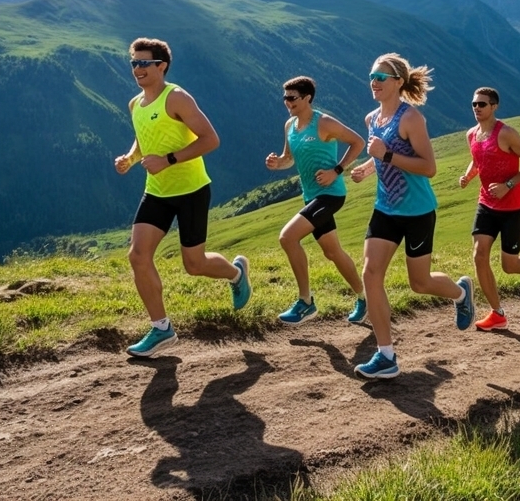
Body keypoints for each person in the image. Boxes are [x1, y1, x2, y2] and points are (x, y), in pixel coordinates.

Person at [114, 37, 250, 358]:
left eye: (144, 63)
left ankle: (236, 274)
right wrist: (131, 158)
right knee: (138, 256)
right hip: (157, 192)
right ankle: (161, 329)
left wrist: (169, 160)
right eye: (134, 63)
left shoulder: (177, 98)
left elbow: (210, 139)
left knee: (195, 264)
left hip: (191, 191)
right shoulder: (136, 104)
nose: (137, 69)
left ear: (161, 66)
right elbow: (143, 136)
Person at [349, 53, 475, 378]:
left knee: (420, 283)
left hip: (417, 212)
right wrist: (366, 168)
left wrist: (385, 154)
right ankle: (386, 355)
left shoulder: (411, 119)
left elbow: (428, 167)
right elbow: (381, 160)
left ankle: (461, 293)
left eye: (381, 76)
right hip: (385, 209)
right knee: (370, 274)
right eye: (372, 75)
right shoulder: (371, 119)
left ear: (398, 83)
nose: (374, 81)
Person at [265, 76, 367, 326]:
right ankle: (366, 298)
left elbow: (358, 142)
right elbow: (289, 158)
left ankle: (306, 302)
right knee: (332, 251)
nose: (287, 102)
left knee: (287, 237)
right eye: (285, 97)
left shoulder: (324, 122)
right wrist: (278, 163)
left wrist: (337, 169)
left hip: (330, 194)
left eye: (292, 98)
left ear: (307, 98)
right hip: (311, 195)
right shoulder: (290, 125)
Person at [458, 87, 520, 331]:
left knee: (509, 265)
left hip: (513, 205)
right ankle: (497, 314)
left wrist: (508, 185)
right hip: (486, 203)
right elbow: (478, 158)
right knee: (479, 255)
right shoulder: (472, 134)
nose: (477, 108)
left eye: (482, 104)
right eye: (474, 104)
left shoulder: (507, 134)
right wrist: (469, 175)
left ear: (494, 107)